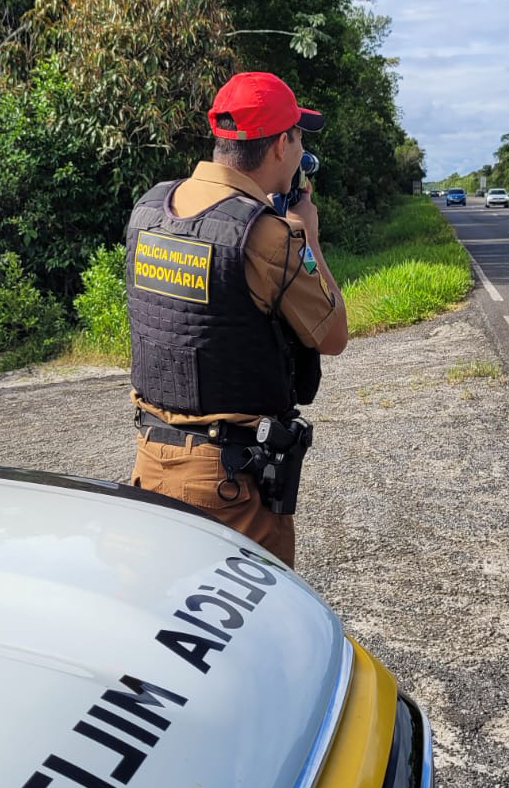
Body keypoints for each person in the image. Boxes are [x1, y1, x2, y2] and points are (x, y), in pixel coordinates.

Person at [124, 72, 347, 568]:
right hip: (230, 490)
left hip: (150, 462)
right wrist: (307, 237)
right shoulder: (268, 237)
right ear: (281, 146)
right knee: (252, 632)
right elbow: (333, 335)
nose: (301, 149)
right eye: (299, 136)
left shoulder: (149, 211)